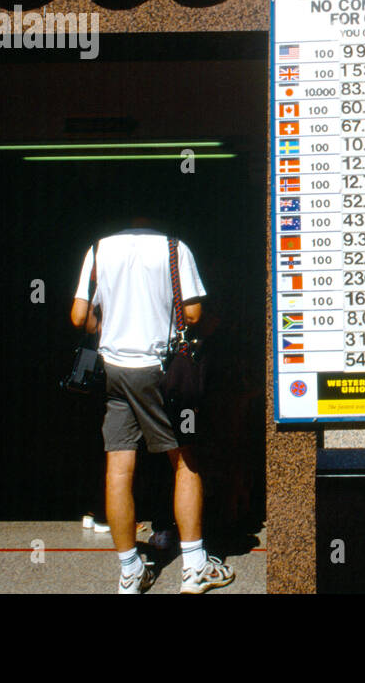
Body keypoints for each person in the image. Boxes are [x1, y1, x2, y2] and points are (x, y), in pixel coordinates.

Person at [71, 223, 235, 594]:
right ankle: (194, 566)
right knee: (184, 460)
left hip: (114, 369)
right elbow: (193, 314)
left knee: (118, 465)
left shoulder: (98, 248)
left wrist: (110, 323)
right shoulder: (175, 248)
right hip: (158, 370)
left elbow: (80, 316)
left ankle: (130, 571)